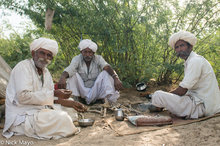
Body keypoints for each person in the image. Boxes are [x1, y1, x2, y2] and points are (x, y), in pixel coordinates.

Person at [3, 38, 86, 139]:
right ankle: (62, 123)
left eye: (49, 55)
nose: (45, 57)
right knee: (63, 118)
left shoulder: (46, 72)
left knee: (70, 107)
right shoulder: (23, 67)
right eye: (42, 53)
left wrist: (72, 104)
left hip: (39, 109)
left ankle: (61, 122)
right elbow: (23, 97)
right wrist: (55, 93)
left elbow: (49, 99)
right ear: (34, 53)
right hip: (23, 115)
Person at [150, 30, 220, 119]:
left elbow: (182, 91)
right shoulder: (189, 61)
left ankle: (158, 105)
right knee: (161, 97)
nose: (179, 49)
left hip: (202, 107)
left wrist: (165, 98)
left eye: (182, 45)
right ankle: (159, 104)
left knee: (158, 95)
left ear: (190, 46)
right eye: (177, 47)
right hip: (198, 102)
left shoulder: (195, 61)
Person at [58, 39, 123, 105]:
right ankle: (75, 99)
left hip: (95, 90)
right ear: (81, 52)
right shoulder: (77, 59)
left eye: (90, 52)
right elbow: (70, 68)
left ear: (93, 53)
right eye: (85, 52)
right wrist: (62, 77)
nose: (87, 54)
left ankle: (106, 101)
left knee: (106, 73)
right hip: (82, 91)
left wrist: (116, 78)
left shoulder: (98, 59)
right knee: (72, 75)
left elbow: (107, 67)